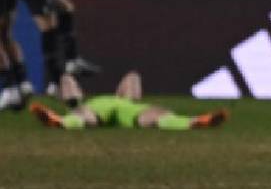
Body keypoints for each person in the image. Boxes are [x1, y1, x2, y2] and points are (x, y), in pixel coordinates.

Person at [29, 71, 229, 130]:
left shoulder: (123, 99)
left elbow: (132, 77)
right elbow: (66, 80)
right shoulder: (90, 101)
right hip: (96, 107)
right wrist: (73, 99)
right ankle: (59, 120)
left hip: (121, 107)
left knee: (155, 114)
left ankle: (197, 121)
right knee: (83, 113)